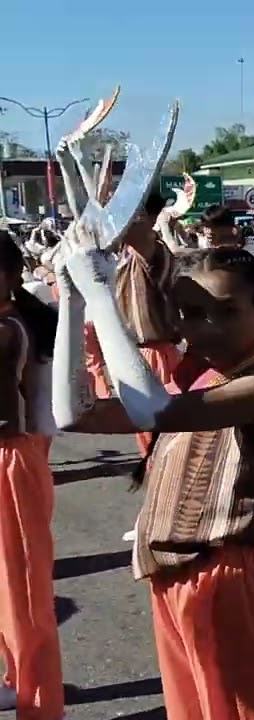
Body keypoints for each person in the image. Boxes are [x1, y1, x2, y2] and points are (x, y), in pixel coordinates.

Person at [52, 230, 254, 718]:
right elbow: (73, 413)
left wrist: (101, 295)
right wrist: (71, 297)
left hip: (235, 579)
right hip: (173, 579)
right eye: (192, 313)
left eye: (227, 311)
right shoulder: (199, 383)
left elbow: (151, 411)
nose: (208, 327)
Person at [0, 231, 63, 719]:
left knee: (22, 592)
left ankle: (39, 702)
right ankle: (15, 680)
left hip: (10, 464)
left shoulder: (8, 329)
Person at [115, 191, 185, 456]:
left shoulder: (150, 248)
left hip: (155, 354)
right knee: (146, 435)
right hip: (136, 352)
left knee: (161, 433)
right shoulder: (125, 251)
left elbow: (131, 228)